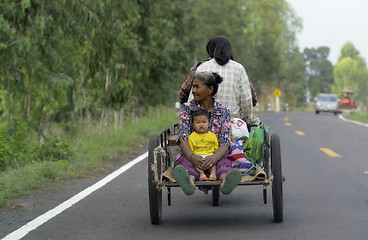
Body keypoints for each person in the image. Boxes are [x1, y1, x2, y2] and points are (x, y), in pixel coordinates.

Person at [173, 71, 242, 195]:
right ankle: (189, 181)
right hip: (192, 153)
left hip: (215, 155)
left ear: (210, 90)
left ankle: (226, 181)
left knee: (224, 163)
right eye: (193, 87)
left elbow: (224, 142)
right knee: (185, 164)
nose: (193, 90)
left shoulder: (224, 111)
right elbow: (183, 138)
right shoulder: (187, 108)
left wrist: (214, 158)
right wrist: (192, 157)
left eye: (197, 87)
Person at [189, 36, 260, 127]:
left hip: (203, 123)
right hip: (232, 124)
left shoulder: (202, 67)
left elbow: (192, 97)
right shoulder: (239, 68)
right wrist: (250, 120)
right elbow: (246, 99)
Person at [189, 109, 218, 181]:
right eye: (198, 122)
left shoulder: (212, 136)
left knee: (213, 164)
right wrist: (196, 157)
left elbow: (216, 148)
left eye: (204, 122)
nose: (201, 125)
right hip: (198, 156)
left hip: (209, 155)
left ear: (208, 123)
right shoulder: (191, 137)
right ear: (193, 124)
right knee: (196, 165)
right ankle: (201, 174)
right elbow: (191, 150)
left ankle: (213, 174)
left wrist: (214, 156)